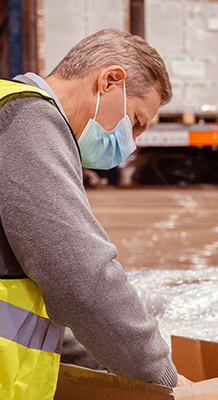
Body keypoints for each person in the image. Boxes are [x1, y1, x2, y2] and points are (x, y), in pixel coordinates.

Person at [0, 29, 191, 400]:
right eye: (135, 121)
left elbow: (31, 303)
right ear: (110, 81)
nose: (131, 144)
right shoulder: (28, 121)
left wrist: (107, 360)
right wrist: (161, 376)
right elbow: (82, 279)